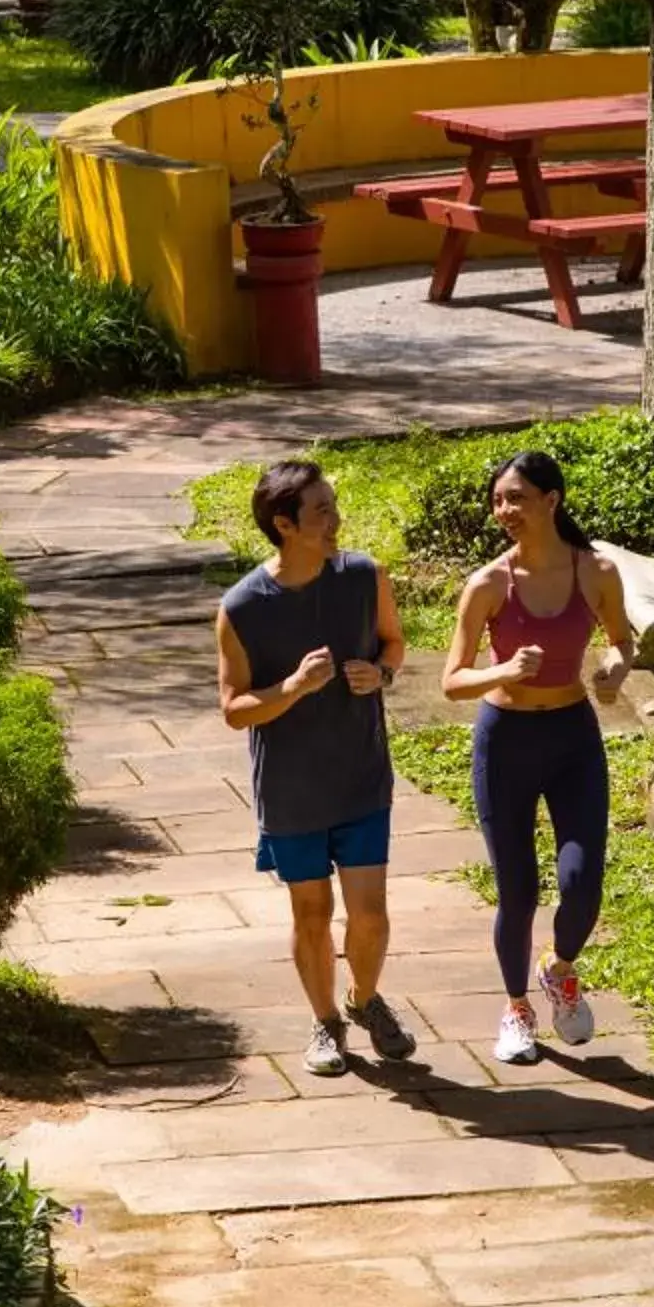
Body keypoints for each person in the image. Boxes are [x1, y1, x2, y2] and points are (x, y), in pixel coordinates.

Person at [216, 459, 415, 1076]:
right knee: (311, 914)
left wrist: (378, 673)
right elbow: (235, 709)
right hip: (292, 791)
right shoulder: (241, 607)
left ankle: (364, 1000)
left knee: (371, 916)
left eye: (334, 504)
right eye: (322, 509)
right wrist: (296, 687)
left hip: (361, 778)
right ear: (284, 524)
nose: (336, 519)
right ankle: (325, 1021)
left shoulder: (364, 575)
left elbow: (395, 645)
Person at [440, 448, 635, 1065]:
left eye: (516, 498)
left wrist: (614, 667)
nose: (504, 511)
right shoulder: (489, 585)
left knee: (582, 883)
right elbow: (452, 679)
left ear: (552, 501)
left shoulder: (596, 572)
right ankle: (517, 1009)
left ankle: (560, 967)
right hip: (506, 741)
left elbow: (622, 639)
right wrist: (502, 669)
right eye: (498, 500)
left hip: (573, 738)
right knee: (517, 890)